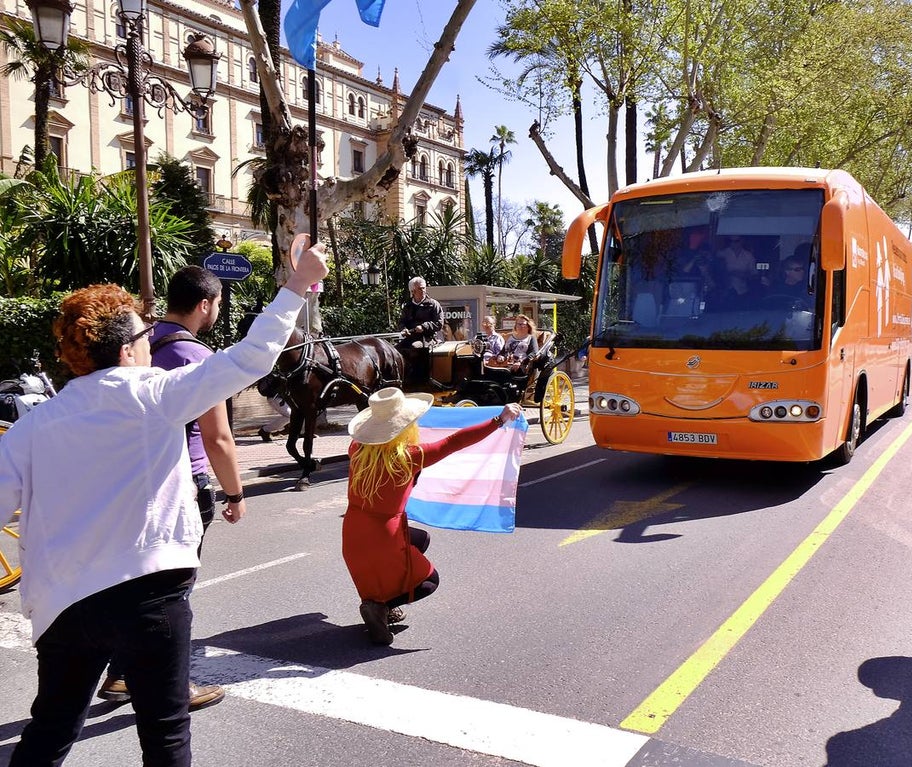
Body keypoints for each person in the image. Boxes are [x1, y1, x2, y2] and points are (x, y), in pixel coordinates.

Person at [0, 246, 328, 766]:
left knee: (50, 729)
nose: (152, 341)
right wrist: (298, 284)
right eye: (144, 335)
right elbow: (250, 356)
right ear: (128, 349)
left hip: (63, 602)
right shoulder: (154, 394)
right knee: (166, 731)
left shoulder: (33, 426)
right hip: (149, 594)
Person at [95, 265, 243, 709]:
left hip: (132, 478)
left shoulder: (139, 344)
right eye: (216, 305)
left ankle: (121, 674)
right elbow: (217, 437)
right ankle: (171, 686)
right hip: (183, 481)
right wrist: (234, 493)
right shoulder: (198, 359)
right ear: (205, 305)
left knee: (139, 583)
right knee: (173, 594)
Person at [343, 388, 523, 645]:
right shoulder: (410, 457)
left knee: (421, 539)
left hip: (353, 533)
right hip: (385, 535)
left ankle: (378, 600)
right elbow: (454, 442)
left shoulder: (357, 449)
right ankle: (379, 606)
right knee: (429, 581)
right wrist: (498, 419)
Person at [396, 276, 444, 383]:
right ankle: (400, 378)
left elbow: (439, 323)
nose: (423, 290)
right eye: (420, 288)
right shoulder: (407, 306)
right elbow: (401, 322)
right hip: (410, 337)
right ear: (413, 291)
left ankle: (419, 379)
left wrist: (424, 327)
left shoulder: (433, 304)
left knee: (415, 347)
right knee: (395, 350)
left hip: (427, 338)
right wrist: (403, 329)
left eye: (424, 288)